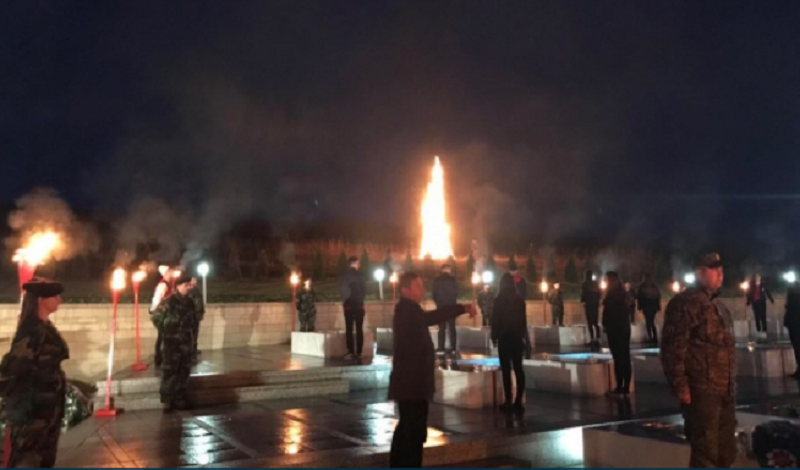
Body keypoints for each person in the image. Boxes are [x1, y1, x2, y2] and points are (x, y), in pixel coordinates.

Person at [389, 272, 476, 467]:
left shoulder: (410, 310)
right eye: (418, 286)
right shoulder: (407, 310)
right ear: (405, 290)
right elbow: (433, 316)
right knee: (412, 432)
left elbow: (430, 317)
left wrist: (460, 308)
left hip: (412, 384)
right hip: (411, 384)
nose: (422, 290)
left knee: (409, 429)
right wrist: (461, 308)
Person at [661, 253, 736, 468]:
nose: (720, 275)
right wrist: (681, 386)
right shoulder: (685, 304)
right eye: (715, 271)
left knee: (726, 452)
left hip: (725, 390)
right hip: (701, 391)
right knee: (706, 453)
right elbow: (673, 348)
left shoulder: (718, 306)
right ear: (700, 273)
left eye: (722, 270)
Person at [0, 278, 68, 467]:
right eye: (55, 296)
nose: (60, 300)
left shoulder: (44, 327)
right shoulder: (31, 330)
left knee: (44, 458)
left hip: (47, 409)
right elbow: (13, 369)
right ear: (41, 300)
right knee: (28, 459)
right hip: (33, 411)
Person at [151, 274, 197, 412]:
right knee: (170, 370)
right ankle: (167, 400)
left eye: (189, 285)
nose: (188, 287)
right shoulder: (168, 302)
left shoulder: (189, 302)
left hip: (186, 342)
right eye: (186, 285)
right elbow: (156, 318)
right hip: (171, 342)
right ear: (178, 286)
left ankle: (180, 398)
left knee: (184, 370)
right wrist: (166, 330)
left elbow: (194, 320)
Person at [491, 273, 529, 413]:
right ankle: (518, 400)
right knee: (518, 368)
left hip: (504, 338)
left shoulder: (499, 300)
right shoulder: (519, 300)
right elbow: (523, 321)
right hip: (517, 338)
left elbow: (495, 319)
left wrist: (494, 336)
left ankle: (508, 399)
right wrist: (525, 338)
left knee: (506, 369)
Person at [602, 272, 632, 395]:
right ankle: (626, 386)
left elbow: (609, 312)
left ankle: (620, 386)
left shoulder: (612, 295)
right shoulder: (624, 294)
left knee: (618, 358)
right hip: (624, 328)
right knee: (625, 357)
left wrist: (605, 324)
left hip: (615, 328)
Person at [339, 256, 366, 359]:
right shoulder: (361, 275)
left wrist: (345, 300)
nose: (359, 264)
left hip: (349, 306)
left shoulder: (344, 275)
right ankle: (359, 352)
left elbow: (342, 290)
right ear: (353, 263)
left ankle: (350, 351)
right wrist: (361, 299)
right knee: (359, 329)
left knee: (349, 328)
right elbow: (364, 290)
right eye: (358, 262)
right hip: (359, 305)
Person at [150, 266, 175, 367]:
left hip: (168, 313)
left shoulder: (170, 284)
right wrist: (154, 310)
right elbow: (157, 298)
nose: (171, 273)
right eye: (169, 272)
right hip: (163, 314)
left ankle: (163, 357)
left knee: (164, 336)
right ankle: (159, 358)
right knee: (162, 336)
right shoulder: (163, 285)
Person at [432, 264, 459, 353]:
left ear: (442, 269)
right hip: (451, 306)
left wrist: (438, 303)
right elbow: (456, 293)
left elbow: (434, 294)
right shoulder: (453, 279)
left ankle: (441, 348)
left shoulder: (437, 280)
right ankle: (453, 347)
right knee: (452, 327)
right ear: (448, 269)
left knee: (441, 328)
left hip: (441, 306)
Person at [746, 273, 774, 341]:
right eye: (756, 277)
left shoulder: (763, 285)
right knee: (757, 317)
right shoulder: (752, 285)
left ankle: (764, 331)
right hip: (755, 302)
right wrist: (748, 301)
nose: (758, 279)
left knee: (763, 317)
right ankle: (758, 331)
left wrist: (771, 299)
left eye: (759, 277)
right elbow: (749, 293)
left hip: (762, 302)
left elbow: (767, 292)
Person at [637, 274, 662, 345]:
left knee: (648, 322)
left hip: (647, 306)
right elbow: (658, 297)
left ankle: (650, 337)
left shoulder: (642, 287)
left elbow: (640, 297)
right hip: (652, 307)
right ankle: (653, 337)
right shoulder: (654, 287)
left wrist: (640, 306)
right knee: (651, 322)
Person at [581, 270, 602, 347]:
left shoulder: (585, 284)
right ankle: (598, 339)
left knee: (590, 323)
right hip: (595, 305)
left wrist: (583, 301)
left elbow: (583, 294)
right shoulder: (596, 284)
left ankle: (592, 339)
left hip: (589, 305)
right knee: (595, 323)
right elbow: (599, 294)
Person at [785, 278, 800, 379]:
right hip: (795, 325)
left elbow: (790, 311)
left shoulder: (792, 297)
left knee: (797, 348)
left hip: (794, 325)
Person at [187, 276, 205, 359]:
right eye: (193, 280)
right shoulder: (190, 290)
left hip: (196, 315)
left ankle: (194, 348)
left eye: (195, 280)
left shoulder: (196, 290)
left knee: (195, 332)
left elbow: (200, 303)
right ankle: (191, 349)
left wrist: (201, 312)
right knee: (192, 332)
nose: (194, 281)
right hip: (192, 315)